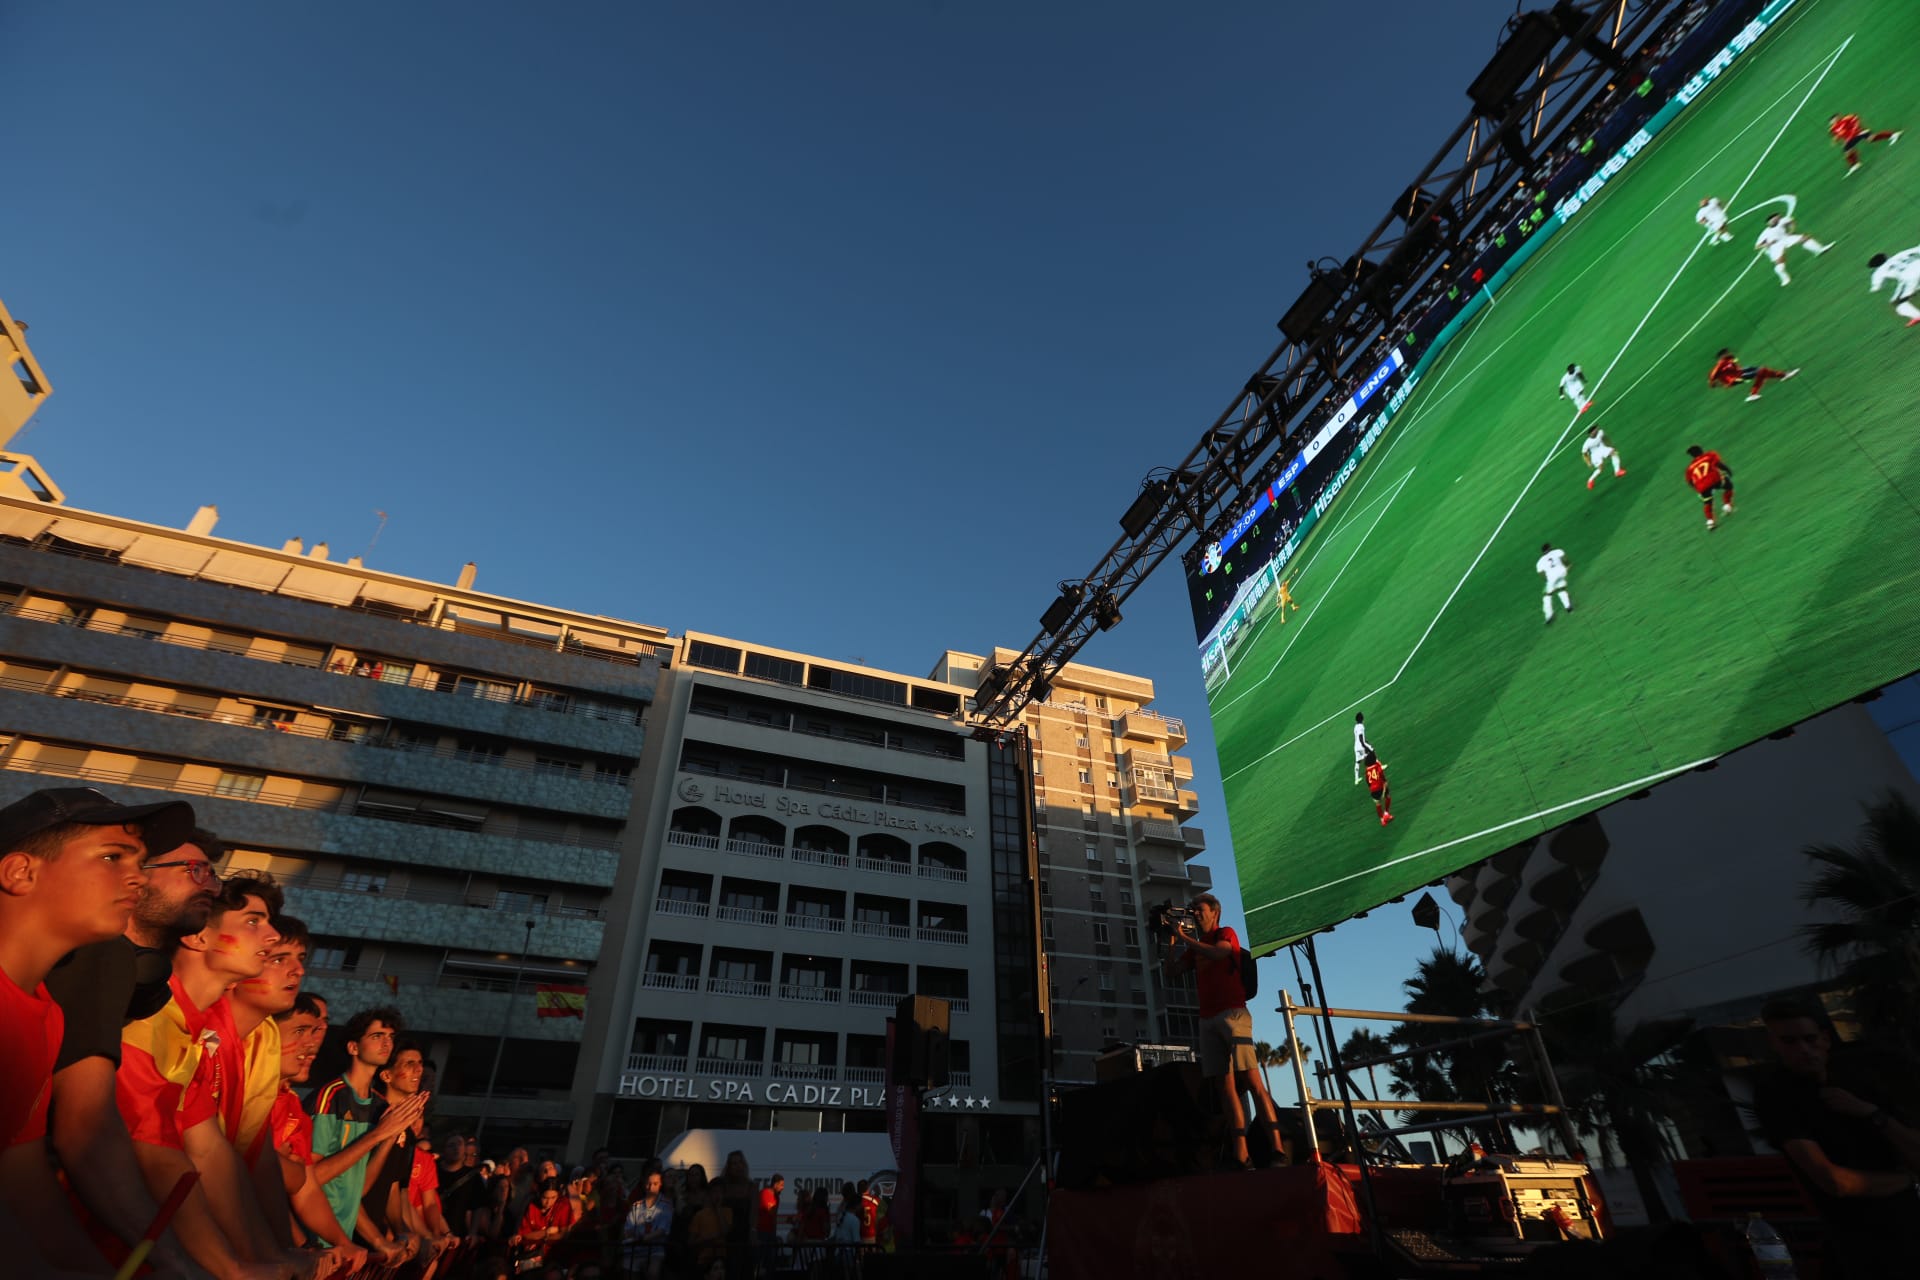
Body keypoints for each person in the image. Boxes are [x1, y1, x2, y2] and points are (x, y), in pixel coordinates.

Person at [31, 791, 226, 1280]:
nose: (214, 887)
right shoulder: (100, 957)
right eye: (114, 858)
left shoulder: (127, 977)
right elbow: (88, 1136)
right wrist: (184, 1263)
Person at [0, 784, 178, 1276]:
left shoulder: (47, 1015)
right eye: (113, 856)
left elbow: (23, 1183)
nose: (139, 880)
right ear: (21, 872)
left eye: (140, 862)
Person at [117, 864, 304, 1279]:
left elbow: (214, 1154)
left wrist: (264, 1258)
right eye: (254, 922)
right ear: (199, 934)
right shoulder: (147, 1021)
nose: (272, 938)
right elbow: (157, 1158)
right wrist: (235, 1268)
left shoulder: (191, 1028)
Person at [1751, 997, 1920, 1277]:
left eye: (1809, 1039)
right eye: (1789, 1041)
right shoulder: (1777, 1095)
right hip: (1866, 1244)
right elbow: (1834, 1181)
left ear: (1825, 1039)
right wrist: (1906, 1181)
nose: (1803, 1049)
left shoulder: (1855, 1081)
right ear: (1775, 1044)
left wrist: (1871, 1113)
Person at [1163, 893, 1283, 1167]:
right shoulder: (1195, 947)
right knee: (1224, 1087)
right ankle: (1242, 1155)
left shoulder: (1225, 933)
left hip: (1233, 1014)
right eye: (1192, 909)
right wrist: (1171, 941)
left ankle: (1277, 1147)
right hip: (1207, 1019)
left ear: (1214, 912)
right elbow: (1171, 972)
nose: (1194, 913)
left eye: (1199, 909)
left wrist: (1184, 939)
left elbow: (1220, 952)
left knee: (1252, 1081)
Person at [308, 1006, 421, 1255]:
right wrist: (378, 1134)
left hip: (343, 1240)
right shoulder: (331, 1096)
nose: (387, 1043)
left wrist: (390, 1135)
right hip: (310, 1240)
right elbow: (311, 1179)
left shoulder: (380, 1106)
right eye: (377, 1036)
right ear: (353, 1047)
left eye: (390, 1037)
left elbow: (360, 1186)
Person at [1754, 212, 1832, 287]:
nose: (1777, 220)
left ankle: (1819, 250)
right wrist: (1768, 244)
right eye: (1775, 219)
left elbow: (1791, 221)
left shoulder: (1781, 221)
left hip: (1785, 238)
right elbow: (1757, 246)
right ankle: (1784, 278)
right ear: (1769, 222)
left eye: (1777, 218)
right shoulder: (1765, 233)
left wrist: (1791, 231)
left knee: (1804, 238)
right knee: (1780, 265)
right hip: (1775, 246)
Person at [622, 1169, 672, 1280]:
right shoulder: (636, 1206)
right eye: (648, 1183)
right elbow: (628, 1229)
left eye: (655, 1184)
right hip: (634, 1249)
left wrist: (644, 1238)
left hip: (655, 1249)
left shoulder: (666, 1205)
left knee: (652, 1273)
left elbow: (662, 1230)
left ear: (660, 1185)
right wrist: (634, 1237)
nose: (650, 1187)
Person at [1708, 348, 1798, 402]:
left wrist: (1740, 368)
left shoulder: (1729, 358)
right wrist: (1714, 383)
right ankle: (1753, 394)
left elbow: (1735, 367)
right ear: (1721, 356)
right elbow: (1712, 376)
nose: (1728, 353)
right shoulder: (1721, 363)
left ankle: (1784, 375)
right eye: (1725, 353)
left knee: (1763, 370)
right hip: (1735, 379)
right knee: (1761, 371)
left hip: (1740, 372)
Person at [1829, 113, 1901, 176]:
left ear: (1838, 117)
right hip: (1850, 138)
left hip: (1859, 132)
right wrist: (1836, 139)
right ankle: (1855, 165)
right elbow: (1838, 134)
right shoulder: (1833, 128)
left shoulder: (1846, 118)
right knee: (1847, 151)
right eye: (1832, 121)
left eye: (1835, 118)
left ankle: (1893, 135)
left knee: (1872, 138)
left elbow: (1856, 118)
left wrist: (1856, 128)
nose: (1834, 121)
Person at [1684, 445, 1734, 532]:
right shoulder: (1710, 455)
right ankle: (1727, 505)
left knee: (1707, 502)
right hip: (1714, 479)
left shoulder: (1689, 468)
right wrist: (1728, 470)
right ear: (1701, 451)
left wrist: (1698, 490)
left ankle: (1710, 522)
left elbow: (1690, 482)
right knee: (1728, 485)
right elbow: (1718, 464)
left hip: (1702, 486)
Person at [1868, 248, 1920, 327]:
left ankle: (1917, 316)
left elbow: (1876, 288)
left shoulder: (1878, 272)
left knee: (1896, 303)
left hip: (1909, 278)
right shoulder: (1900, 254)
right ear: (1886, 256)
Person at [1536, 541, 1573, 624]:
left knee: (1547, 595)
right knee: (1562, 589)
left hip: (1551, 578)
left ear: (1543, 552)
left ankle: (1549, 616)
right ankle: (1568, 607)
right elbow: (1565, 560)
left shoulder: (1540, 562)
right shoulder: (1557, 551)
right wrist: (1568, 566)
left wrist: (1548, 582)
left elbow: (1542, 575)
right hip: (1562, 572)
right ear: (1550, 548)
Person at [755, 1173, 784, 1272]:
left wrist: (774, 1233)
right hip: (761, 1232)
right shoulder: (765, 1193)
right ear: (775, 1184)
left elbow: (774, 1217)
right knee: (760, 1259)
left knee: (770, 1261)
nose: (782, 1188)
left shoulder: (777, 1197)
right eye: (781, 1185)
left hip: (770, 1232)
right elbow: (772, 1212)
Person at [1361, 750, 1392, 826]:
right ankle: (1386, 813)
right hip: (1380, 786)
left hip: (1373, 790)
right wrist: (1385, 782)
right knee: (1387, 797)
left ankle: (1382, 820)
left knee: (1378, 804)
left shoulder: (1367, 770)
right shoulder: (1377, 766)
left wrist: (1371, 788)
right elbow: (1381, 774)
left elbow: (1367, 781)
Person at [1352, 712, 1376, 786]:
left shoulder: (1355, 726)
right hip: (1361, 745)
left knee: (1358, 761)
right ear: (1362, 718)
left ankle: (1356, 779)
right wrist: (1365, 746)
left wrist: (1365, 742)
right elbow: (1360, 738)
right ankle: (1378, 767)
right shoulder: (1361, 727)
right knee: (1372, 751)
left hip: (1356, 746)